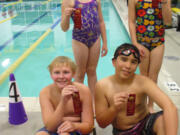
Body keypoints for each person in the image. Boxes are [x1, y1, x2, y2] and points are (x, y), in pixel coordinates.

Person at [95, 43, 178, 135]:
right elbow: (101, 124)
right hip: (123, 131)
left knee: (163, 120)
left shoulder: (143, 82)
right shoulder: (102, 86)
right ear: (114, 62)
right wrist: (113, 108)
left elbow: (170, 107)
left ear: (137, 65)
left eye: (133, 62)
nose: (128, 66)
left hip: (145, 124)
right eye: (124, 59)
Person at [128, 0, 172, 112]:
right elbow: (131, 21)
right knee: (144, 76)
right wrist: (135, 43)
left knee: (153, 76)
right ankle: (142, 105)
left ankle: (150, 106)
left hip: (158, 42)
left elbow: (168, 22)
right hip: (141, 42)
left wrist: (165, 4)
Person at [60, 0, 108, 98]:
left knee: (92, 71)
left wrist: (105, 42)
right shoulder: (68, 2)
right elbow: (64, 28)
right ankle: (77, 103)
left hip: (95, 38)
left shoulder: (96, 1)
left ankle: (95, 103)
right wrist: (66, 16)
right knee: (80, 73)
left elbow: (101, 21)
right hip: (79, 39)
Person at [36, 56, 94, 135]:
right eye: (57, 72)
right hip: (54, 127)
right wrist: (63, 102)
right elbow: (49, 127)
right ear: (51, 74)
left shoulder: (83, 91)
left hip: (77, 127)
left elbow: (89, 126)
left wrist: (74, 126)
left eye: (66, 72)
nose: (61, 77)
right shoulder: (45, 92)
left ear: (73, 74)